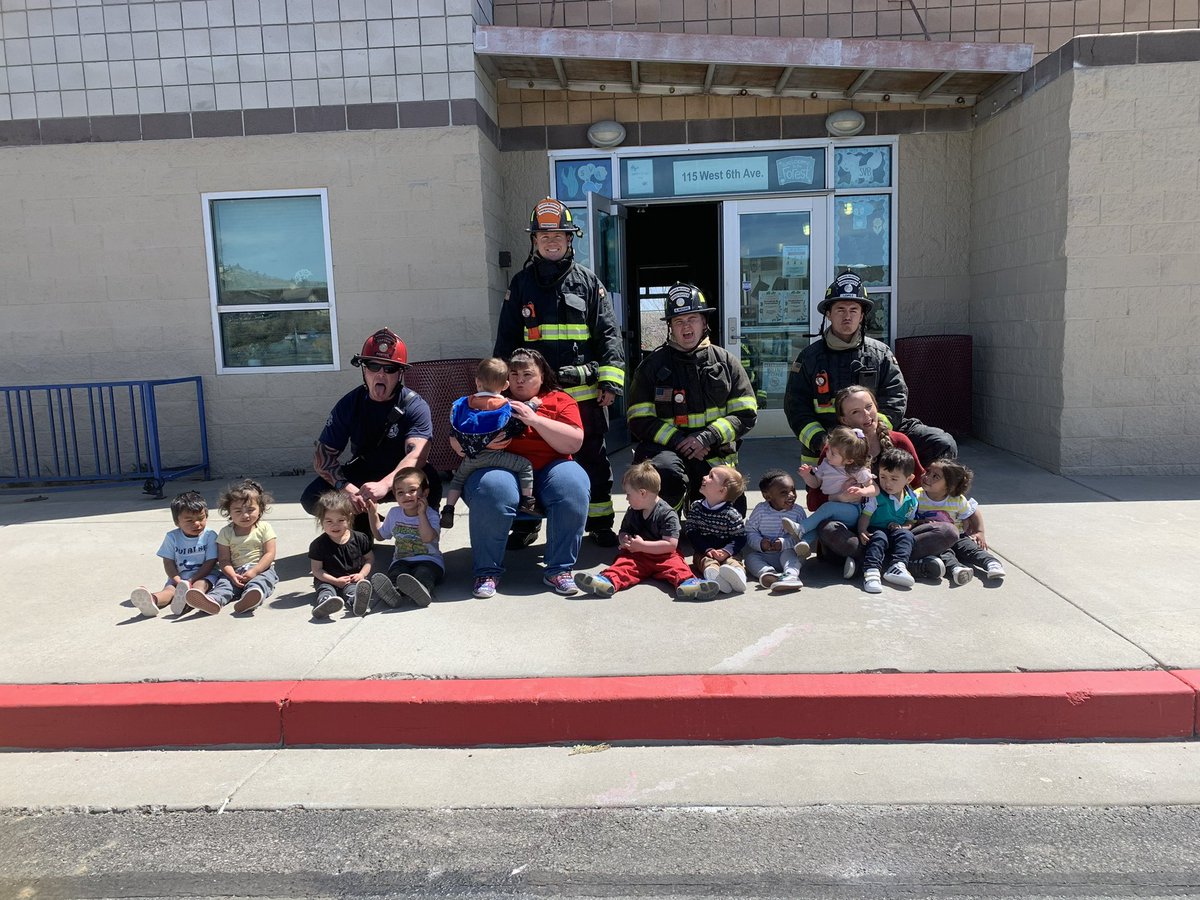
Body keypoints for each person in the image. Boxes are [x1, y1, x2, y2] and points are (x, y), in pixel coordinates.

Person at [495, 197, 625, 548]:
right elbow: (506, 341)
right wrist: (500, 391)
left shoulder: (588, 283)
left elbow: (609, 336)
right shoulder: (521, 285)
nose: (551, 242)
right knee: (528, 458)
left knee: (592, 459)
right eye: (544, 237)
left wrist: (610, 381)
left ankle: (599, 522)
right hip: (532, 399)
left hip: (582, 397)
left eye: (559, 236)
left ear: (570, 239)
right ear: (534, 241)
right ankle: (526, 524)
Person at [784, 270, 956, 469]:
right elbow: (796, 409)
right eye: (840, 309)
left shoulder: (880, 354)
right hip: (832, 442)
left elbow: (896, 398)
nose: (847, 316)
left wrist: (875, 432)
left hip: (878, 434)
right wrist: (822, 442)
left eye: (853, 310)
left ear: (862, 314)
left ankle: (926, 497)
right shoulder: (809, 358)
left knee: (941, 443)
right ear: (828, 314)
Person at [462, 348, 590, 599]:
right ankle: (487, 571)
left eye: (528, 374)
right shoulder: (490, 399)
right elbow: (456, 440)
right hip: (500, 466)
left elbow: (574, 443)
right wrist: (484, 442)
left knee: (573, 483)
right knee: (493, 486)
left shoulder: (559, 400)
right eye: (515, 374)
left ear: (542, 376)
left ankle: (559, 569)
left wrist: (535, 420)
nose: (520, 380)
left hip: (551, 468)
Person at [626, 282, 758, 514]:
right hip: (666, 452)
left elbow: (746, 414)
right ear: (670, 327)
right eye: (679, 321)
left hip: (713, 451)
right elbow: (639, 419)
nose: (686, 327)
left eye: (692, 319)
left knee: (732, 511)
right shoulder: (651, 367)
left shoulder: (726, 362)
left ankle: (697, 509)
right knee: (667, 475)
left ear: (704, 322)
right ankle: (666, 522)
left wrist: (706, 438)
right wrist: (680, 441)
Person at [807, 385, 958, 580]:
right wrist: (839, 496)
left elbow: (920, 486)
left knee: (948, 532)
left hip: (898, 529)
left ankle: (867, 562)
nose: (866, 415)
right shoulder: (834, 449)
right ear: (844, 420)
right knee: (828, 529)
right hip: (856, 529)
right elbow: (813, 502)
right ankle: (904, 562)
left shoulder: (899, 441)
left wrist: (928, 516)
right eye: (856, 412)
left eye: (869, 407)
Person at [301, 327, 440, 537]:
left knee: (430, 482)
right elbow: (323, 457)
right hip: (363, 474)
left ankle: (417, 530)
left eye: (390, 368)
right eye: (374, 366)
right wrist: (345, 488)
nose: (381, 374)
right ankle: (363, 524)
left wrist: (386, 484)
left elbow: (417, 455)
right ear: (364, 369)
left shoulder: (415, 405)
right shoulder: (349, 404)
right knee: (312, 496)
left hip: (401, 477)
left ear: (400, 373)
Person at [573, 461, 720, 601]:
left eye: (629, 494)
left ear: (643, 493)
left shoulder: (667, 513)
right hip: (638, 555)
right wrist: (624, 539)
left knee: (677, 566)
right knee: (624, 564)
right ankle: (606, 580)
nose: (626, 498)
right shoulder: (633, 510)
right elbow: (624, 530)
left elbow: (671, 545)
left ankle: (689, 584)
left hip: (664, 556)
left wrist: (642, 546)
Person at [440, 357, 536, 529]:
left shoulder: (463, 403)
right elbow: (522, 417)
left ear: (477, 381)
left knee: (457, 480)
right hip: (496, 456)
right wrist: (533, 404)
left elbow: (454, 425)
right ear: (506, 385)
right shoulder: (506, 405)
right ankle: (528, 501)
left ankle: (448, 508)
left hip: (471, 457)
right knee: (525, 466)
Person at [186, 479, 277, 615]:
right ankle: (214, 601)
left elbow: (270, 554)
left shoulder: (264, 528)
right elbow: (223, 560)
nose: (245, 515)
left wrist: (255, 571)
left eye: (250, 509)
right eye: (238, 511)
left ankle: (252, 596)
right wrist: (231, 574)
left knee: (261, 581)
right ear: (229, 512)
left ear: (260, 509)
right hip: (234, 572)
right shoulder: (225, 532)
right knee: (224, 585)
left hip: (261, 568)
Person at [783, 425, 875, 557]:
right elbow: (815, 484)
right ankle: (805, 543)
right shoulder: (826, 464)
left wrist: (862, 492)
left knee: (827, 508)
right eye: (828, 449)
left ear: (849, 460)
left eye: (833, 453)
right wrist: (807, 476)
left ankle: (801, 528)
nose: (827, 454)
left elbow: (872, 487)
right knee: (820, 522)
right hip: (835, 507)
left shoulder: (856, 470)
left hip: (852, 510)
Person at [916, 458, 1007, 584]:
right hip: (937, 539)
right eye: (927, 471)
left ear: (949, 486)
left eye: (935, 476)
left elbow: (973, 512)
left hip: (959, 535)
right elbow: (911, 518)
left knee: (971, 549)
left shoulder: (957, 500)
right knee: (944, 554)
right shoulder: (917, 497)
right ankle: (956, 569)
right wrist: (920, 523)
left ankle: (991, 563)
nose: (927, 477)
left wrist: (979, 531)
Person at [129, 490, 218, 618]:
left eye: (201, 518)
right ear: (177, 522)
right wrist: (178, 580)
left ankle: (191, 599)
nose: (197, 524)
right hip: (179, 577)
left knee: (199, 586)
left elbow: (211, 562)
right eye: (189, 520)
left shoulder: (210, 535)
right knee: (169, 591)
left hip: (205, 575)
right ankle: (152, 600)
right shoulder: (172, 537)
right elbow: (168, 562)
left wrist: (191, 581)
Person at [365, 467, 443, 608]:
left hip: (429, 560)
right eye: (400, 492)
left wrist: (421, 514)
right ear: (395, 496)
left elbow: (427, 538)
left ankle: (422, 591)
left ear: (424, 492)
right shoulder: (394, 513)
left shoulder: (431, 515)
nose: (406, 495)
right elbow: (379, 535)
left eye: (412, 490)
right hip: (401, 560)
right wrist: (372, 514)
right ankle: (393, 593)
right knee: (397, 573)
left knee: (423, 573)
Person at [855, 448, 919, 594]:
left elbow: (910, 521)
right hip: (875, 529)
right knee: (879, 537)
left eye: (894, 479)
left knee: (907, 536)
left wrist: (902, 527)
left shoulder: (912, 500)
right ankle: (871, 572)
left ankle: (898, 566)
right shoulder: (876, 496)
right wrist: (862, 530)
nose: (887, 483)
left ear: (909, 479)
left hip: (896, 531)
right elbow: (866, 515)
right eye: (883, 476)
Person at [308, 490, 374, 619]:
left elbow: (369, 559)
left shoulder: (360, 538)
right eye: (329, 521)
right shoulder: (318, 545)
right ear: (321, 521)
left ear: (349, 518)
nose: (335, 525)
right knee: (325, 589)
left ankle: (358, 603)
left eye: (341, 520)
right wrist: (335, 581)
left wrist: (362, 574)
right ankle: (325, 603)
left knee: (353, 590)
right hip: (327, 579)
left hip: (350, 579)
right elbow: (316, 570)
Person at [683, 465, 749, 595]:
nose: (704, 477)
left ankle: (739, 576)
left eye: (711, 477)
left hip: (728, 551)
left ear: (722, 490)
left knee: (733, 561)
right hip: (704, 551)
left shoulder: (731, 514)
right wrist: (706, 549)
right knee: (704, 561)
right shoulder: (696, 507)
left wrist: (726, 551)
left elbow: (740, 537)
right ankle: (715, 577)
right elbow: (692, 531)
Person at [744, 470, 807, 593]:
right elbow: (750, 531)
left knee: (791, 555)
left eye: (793, 490)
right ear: (768, 496)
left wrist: (784, 543)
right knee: (750, 558)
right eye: (784, 492)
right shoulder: (760, 511)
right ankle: (769, 574)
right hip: (766, 555)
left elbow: (803, 535)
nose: (791, 495)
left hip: (789, 552)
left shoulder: (797, 512)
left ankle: (791, 575)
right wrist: (760, 543)